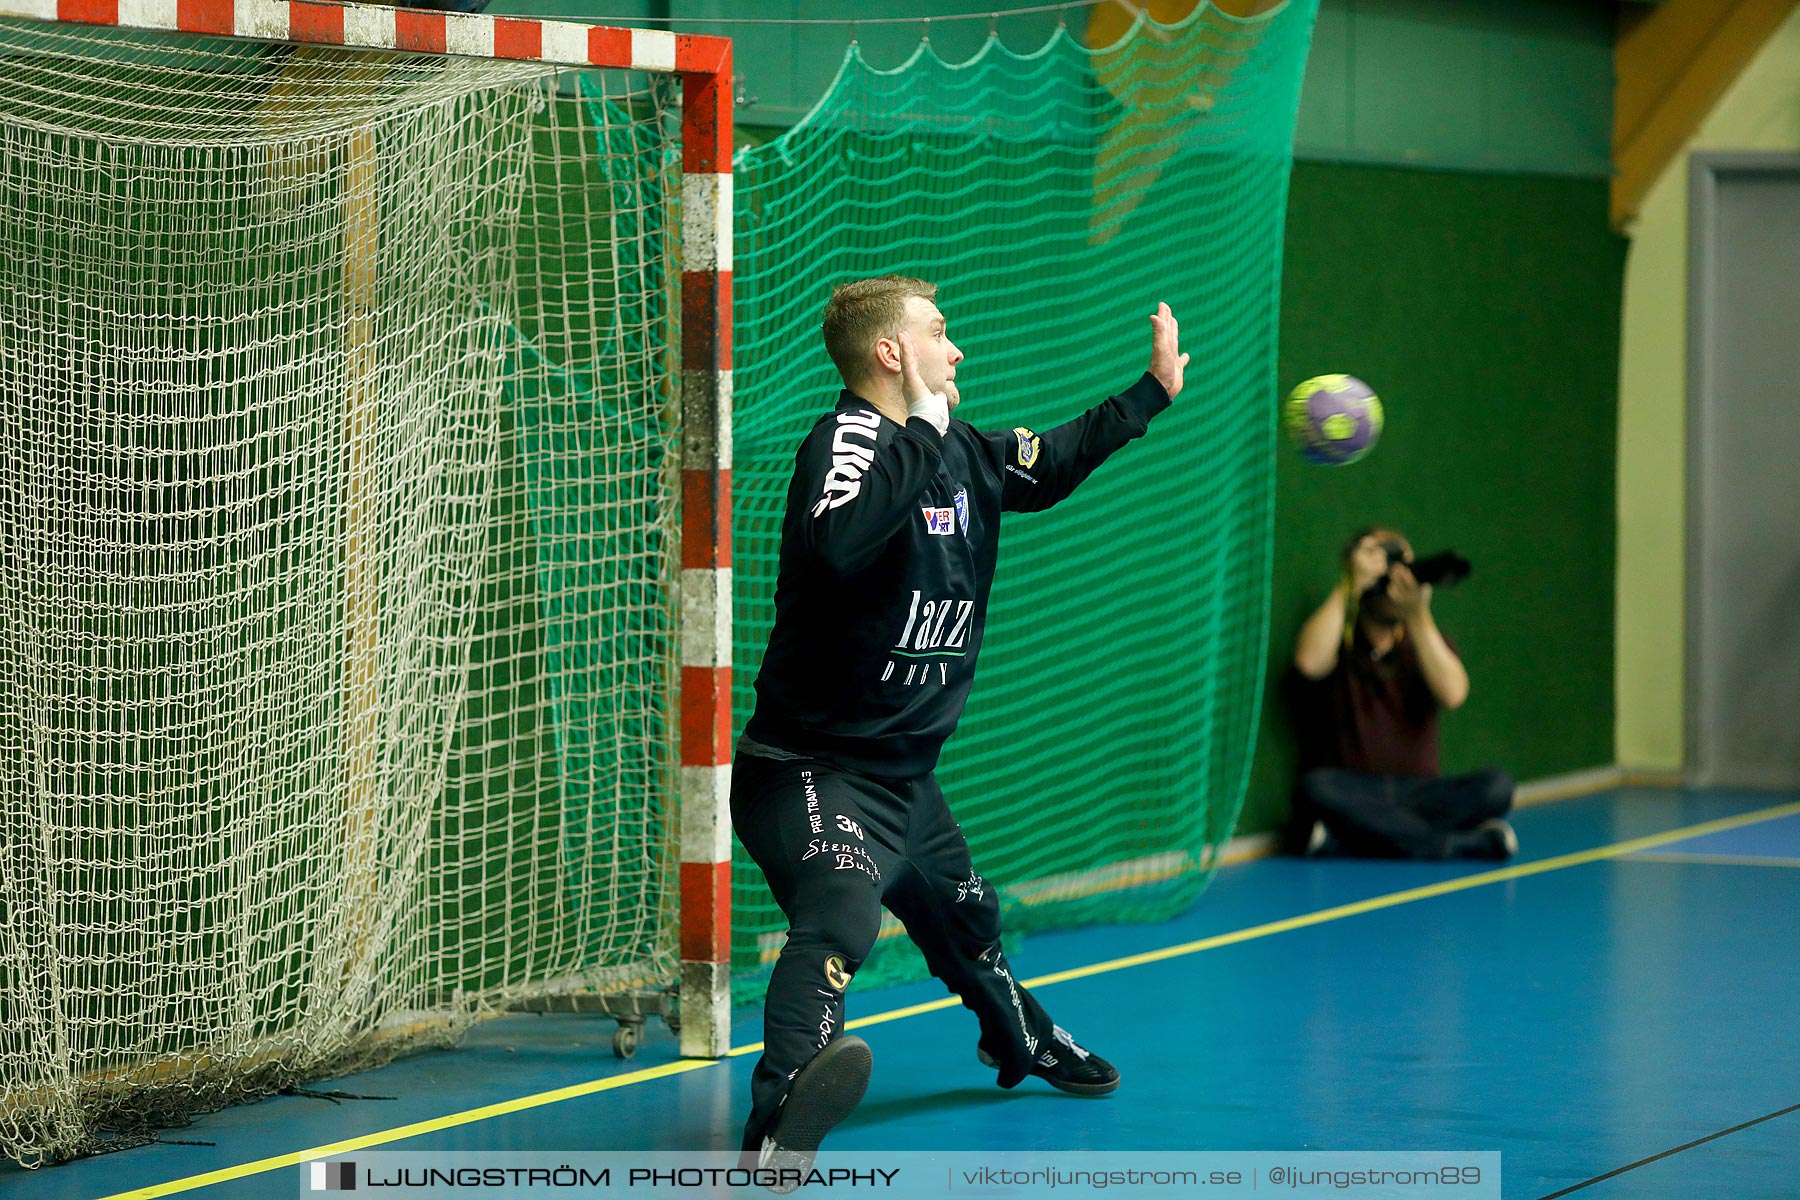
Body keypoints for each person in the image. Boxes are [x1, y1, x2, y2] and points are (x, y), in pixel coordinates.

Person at [732, 275, 1187, 1179]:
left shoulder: (970, 452)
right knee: (840, 915)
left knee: (971, 925)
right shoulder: (847, 444)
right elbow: (836, 545)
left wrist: (1151, 394)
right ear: (891, 354)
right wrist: (924, 431)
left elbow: (1051, 460)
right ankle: (781, 1110)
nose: (958, 350)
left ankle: (1021, 1038)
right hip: (810, 769)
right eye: (939, 333)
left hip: (907, 780)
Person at [1286, 528, 1517, 861]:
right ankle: (1459, 845)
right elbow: (1309, 662)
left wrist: (1418, 616)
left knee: (1498, 787)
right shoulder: (1339, 636)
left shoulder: (1424, 640)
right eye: (1380, 558)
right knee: (1314, 789)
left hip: (1420, 792)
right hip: (1355, 790)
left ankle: (1347, 843)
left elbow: (1453, 694)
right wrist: (1348, 586)